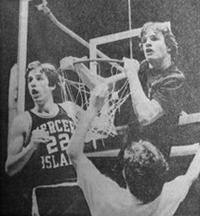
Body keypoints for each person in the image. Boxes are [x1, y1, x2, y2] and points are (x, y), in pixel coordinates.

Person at [67, 83, 200, 216]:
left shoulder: (107, 197)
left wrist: (93, 108)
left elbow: (74, 153)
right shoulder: (169, 196)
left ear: (125, 174)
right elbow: (191, 175)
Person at [5, 61, 91, 216]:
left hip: (76, 190)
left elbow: (100, 124)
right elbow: (9, 168)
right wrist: (31, 146)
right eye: (30, 80)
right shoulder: (23, 121)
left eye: (39, 78)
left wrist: (82, 69)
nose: (33, 84)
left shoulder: (70, 109)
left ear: (52, 85)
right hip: (46, 195)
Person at [121, 22, 186, 159]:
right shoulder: (141, 69)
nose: (147, 44)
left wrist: (132, 74)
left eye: (154, 39)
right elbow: (103, 88)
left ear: (168, 46)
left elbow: (146, 116)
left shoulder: (176, 79)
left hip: (153, 160)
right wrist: (79, 67)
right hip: (129, 152)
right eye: (144, 41)